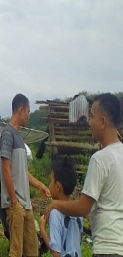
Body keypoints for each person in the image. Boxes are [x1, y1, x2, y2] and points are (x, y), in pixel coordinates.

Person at [45, 93, 123, 256]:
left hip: (108, 248)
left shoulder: (100, 159)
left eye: (91, 117)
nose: (88, 122)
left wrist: (54, 205)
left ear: (102, 122)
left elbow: (82, 208)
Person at [0, 93, 50, 257]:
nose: (28, 115)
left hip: (26, 205)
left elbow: (23, 172)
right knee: (16, 251)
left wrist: (40, 185)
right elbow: (5, 169)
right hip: (16, 205)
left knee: (32, 249)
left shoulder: (19, 137)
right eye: (28, 111)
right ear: (20, 110)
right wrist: (14, 202)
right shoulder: (7, 133)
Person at [39, 157, 82, 257]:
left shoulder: (55, 214)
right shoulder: (77, 212)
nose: (49, 185)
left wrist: (42, 228)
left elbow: (56, 252)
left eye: (50, 181)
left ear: (57, 186)